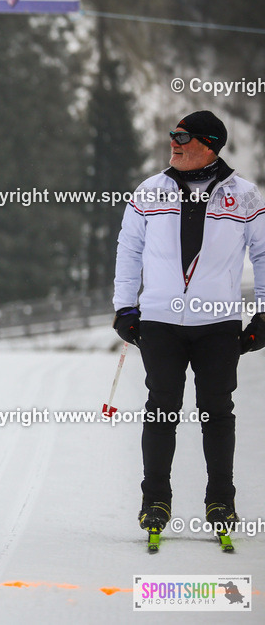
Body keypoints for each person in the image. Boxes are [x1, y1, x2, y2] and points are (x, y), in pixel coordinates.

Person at [112, 110, 265, 536]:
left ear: (210, 145)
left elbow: (264, 255)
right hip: (160, 320)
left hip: (218, 324)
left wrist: (264, 314)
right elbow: (128, 251)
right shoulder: (149, 192)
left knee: (217, 411)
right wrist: (125, 308)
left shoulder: (246, 196)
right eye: (172, 135)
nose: (174, 142)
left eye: (184, 136)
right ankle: (155, 501)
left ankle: (221, 501)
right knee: (161, 410)